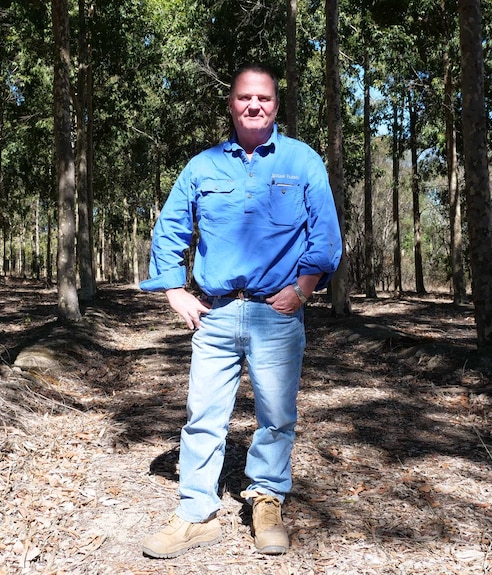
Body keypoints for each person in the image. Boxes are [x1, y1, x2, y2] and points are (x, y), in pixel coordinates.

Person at [139, 62, 342, 559]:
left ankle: (267, 500)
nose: (255, 105)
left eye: (265, 98)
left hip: (277, 314)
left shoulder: (302, 162)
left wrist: (304, 289)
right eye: (245, 97)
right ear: (231, 103)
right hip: (216, 314)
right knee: (204, 415)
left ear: (276, 105)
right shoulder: (203, 166)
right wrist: (174, 292)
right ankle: (196, 514)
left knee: (275, 415)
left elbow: (326, 234)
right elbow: (170, 231)